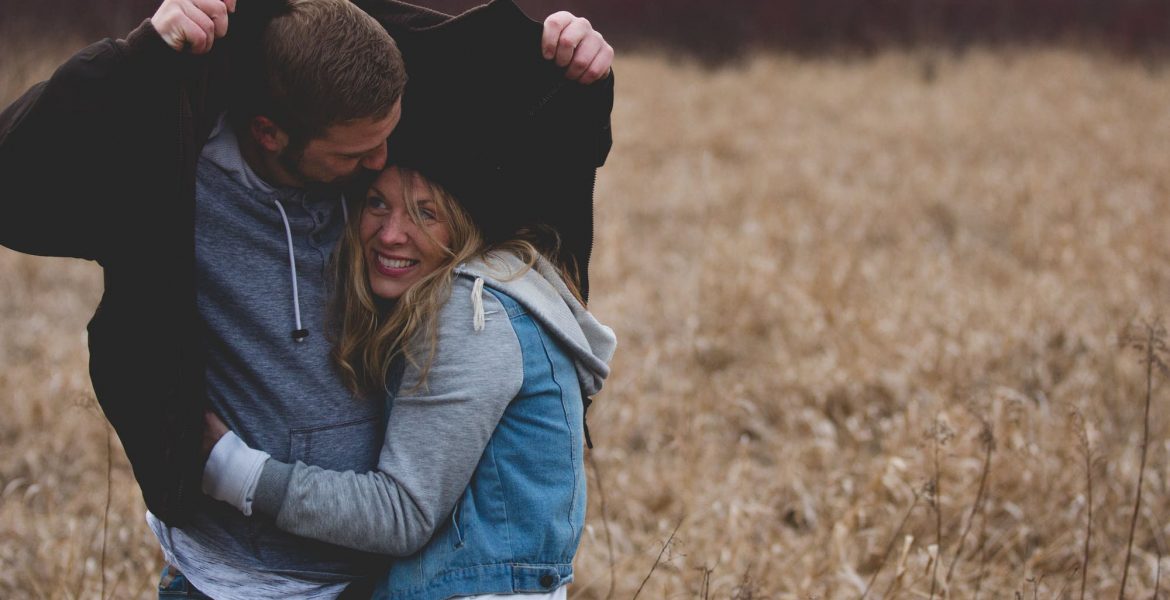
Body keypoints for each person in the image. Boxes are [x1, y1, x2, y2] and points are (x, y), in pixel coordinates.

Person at [0, 0, 613, 597]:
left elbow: (527, 122)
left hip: (381, 578)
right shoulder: (170, 175)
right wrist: (141, 54)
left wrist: (578, 64)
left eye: (386, 142)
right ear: (269, 133)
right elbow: (16, 174)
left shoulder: (371, 142)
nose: (381, 162)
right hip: (232, 576)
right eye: (355, 156)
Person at [202, 163, 615, 599]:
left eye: (425, 213)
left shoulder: (474, 314)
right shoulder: (483, 289)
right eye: (377, 203)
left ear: (464, 225)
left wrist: (232, 469)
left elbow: (404, 514)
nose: (390, 234)